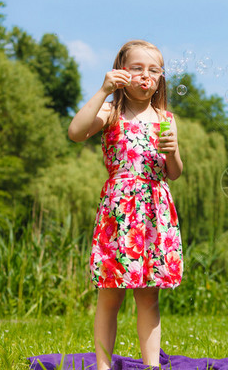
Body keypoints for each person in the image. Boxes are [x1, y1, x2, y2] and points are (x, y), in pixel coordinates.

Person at [68, 40, 184, 370]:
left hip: (154, 213)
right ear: (121, 72)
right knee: (110, 294)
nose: (145, 76)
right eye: (136, 68)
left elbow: (173, 173)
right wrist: (103, 91)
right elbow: (76, 132)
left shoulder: (166, 118)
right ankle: (103, 366)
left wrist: (173, 151)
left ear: (161, 79)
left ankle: (152, 366)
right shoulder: (110, 111)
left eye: (153, 70)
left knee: (148, 295)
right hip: (119, 212)